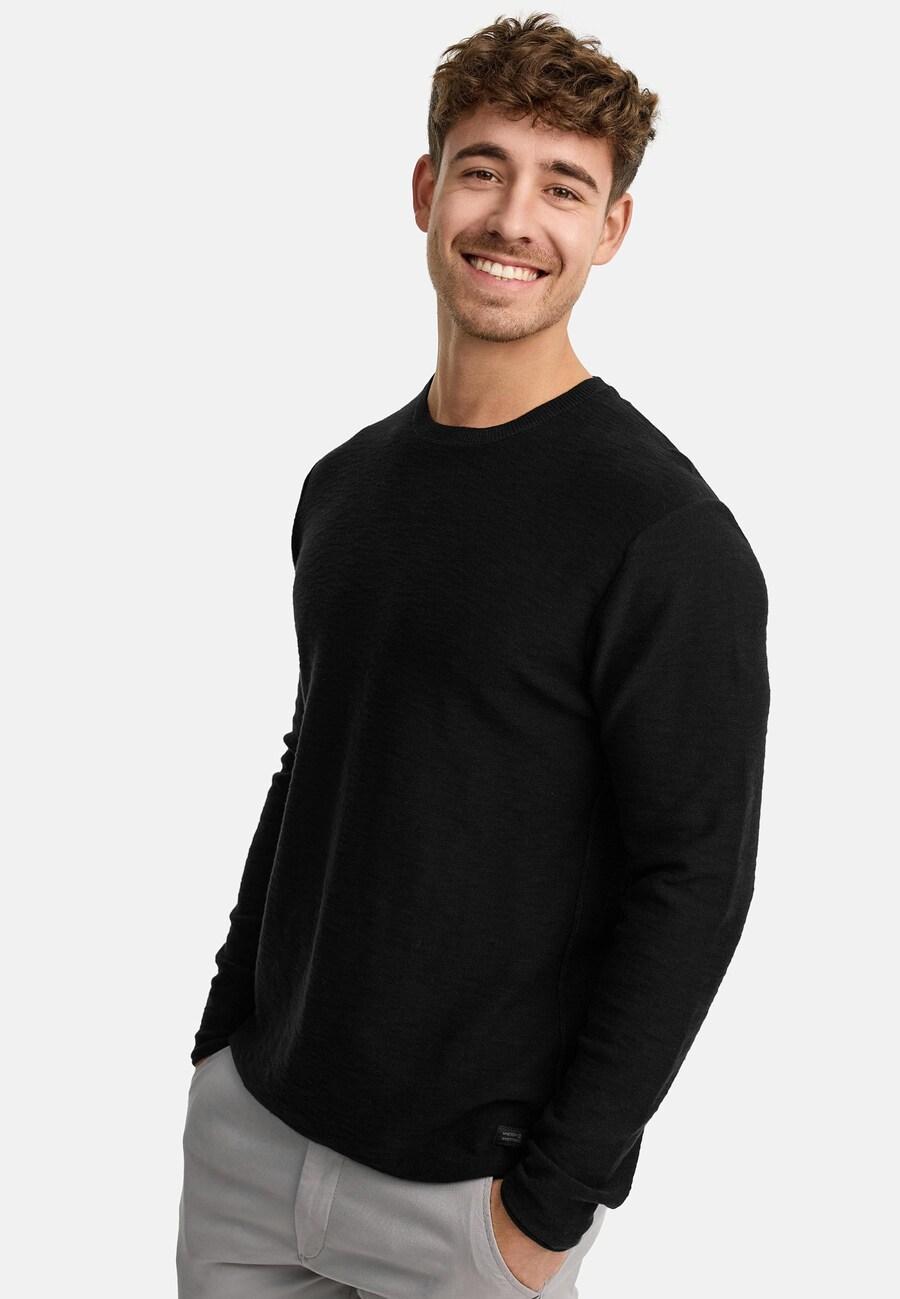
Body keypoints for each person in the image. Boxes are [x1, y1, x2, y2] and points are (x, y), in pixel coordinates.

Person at [177, 13, 771, 1298]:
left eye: (564, 187)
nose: (514, 218)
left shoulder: (663, 536)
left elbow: (693, 882)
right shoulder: (347, 486)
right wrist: (224, 1035)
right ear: (425, 188)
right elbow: (315, 760)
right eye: (485, 169)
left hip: (467, 1206)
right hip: (252, 1148)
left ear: (612, 228)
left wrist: (549, 1205)